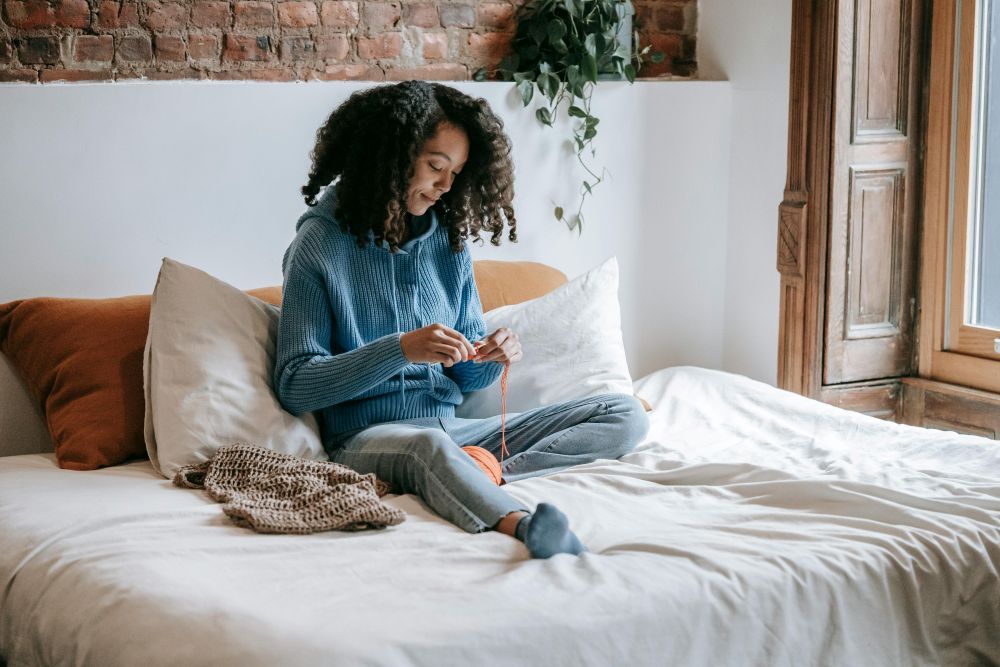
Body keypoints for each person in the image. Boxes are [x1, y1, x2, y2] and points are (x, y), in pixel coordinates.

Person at [273, 81, 649, 559]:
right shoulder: (319, 246)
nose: (446, 186)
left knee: (624, 413)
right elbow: (295, 383)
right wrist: (401, 349)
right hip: (368, 439)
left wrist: (489, 356)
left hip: (457, 432)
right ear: (390, 157)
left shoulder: (447, 243)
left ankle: (480, 474)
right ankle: (520, 524)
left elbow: (466, 376)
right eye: (436, 166)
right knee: (427, 450)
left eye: (456, 172)